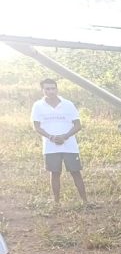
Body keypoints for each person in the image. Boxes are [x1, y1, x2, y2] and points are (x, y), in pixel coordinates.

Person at [31, 78, 88, 207]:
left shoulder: (67, 104)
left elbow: (78, 125)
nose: (51, 91)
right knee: (55, 173)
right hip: (51, 146)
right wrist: (51, 137)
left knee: (75, 172)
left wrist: (65, 136)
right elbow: (37, 127)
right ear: (43, 90)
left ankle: (85, 201)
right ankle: (56, 202)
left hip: (69, 145)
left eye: (53, 88)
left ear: (57, 88)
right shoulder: (38, 106)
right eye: (47, 89)